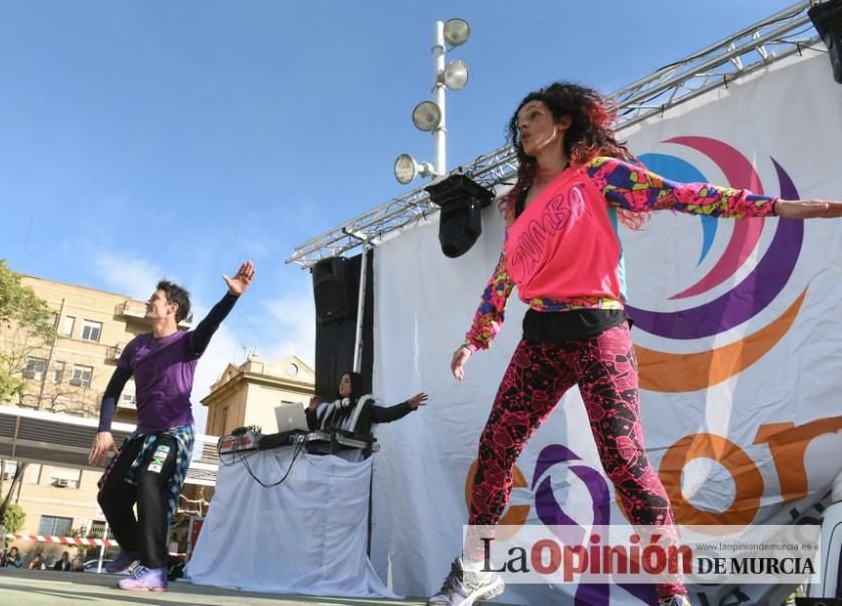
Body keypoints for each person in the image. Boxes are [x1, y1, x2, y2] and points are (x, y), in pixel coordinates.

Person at [426, 82, 842, 606]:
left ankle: (671, 594)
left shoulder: (598, 174)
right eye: (520, 122)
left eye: (534, 115)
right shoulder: (518, 203)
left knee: (623, 460)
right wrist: (475, 339)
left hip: (600, 331)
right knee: (494, 449)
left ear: (564, 122)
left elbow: (682, 195)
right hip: (542, 337)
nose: (523, 128)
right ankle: (476, 570)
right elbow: (505, 276)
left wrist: (778, 207)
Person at [89, 261, 256, 592]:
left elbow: (211, 324)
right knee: (109, 495)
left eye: (155, 298)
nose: (149, 302)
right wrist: (104, 428)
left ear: (172, 308)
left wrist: (231, 297)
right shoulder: (136, 346)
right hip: (142, 434)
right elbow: (112, 390)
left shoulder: (187, 343)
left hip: (174, 433)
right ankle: (136, 547)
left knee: (151, 480)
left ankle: (154, 568)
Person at [305, 371, 428, 436]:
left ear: (355, 385)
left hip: (351, 463)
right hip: (328, 456)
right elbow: (313, 428)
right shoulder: (333, 408)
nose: (341, 384)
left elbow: (387, 415)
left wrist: (408, 406)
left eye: (346, 381)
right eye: (340, 381)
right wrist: (311, 411)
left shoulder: (365, 407)